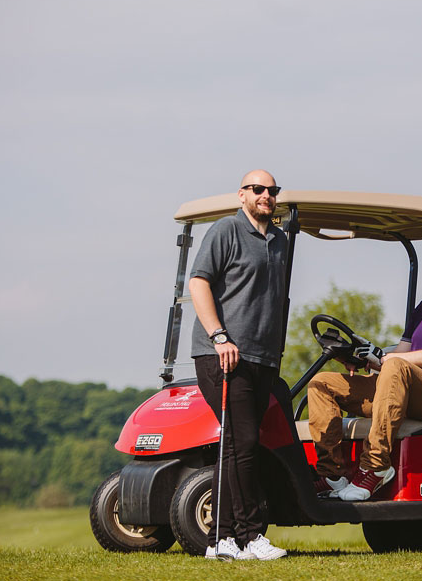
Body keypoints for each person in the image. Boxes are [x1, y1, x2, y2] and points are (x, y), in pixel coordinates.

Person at [307, 232, 422, 501]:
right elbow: (402, 352)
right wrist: (367, 357)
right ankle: (333, 475)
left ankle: (375, 466)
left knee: (395, 367)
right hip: (399, 387)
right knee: (322, 383)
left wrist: (388, 361)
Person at [188, 170, 288, 561]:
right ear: (242, 195)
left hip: (263, 359)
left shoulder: (278, 240)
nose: (266, 195)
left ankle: (221, 540)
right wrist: (218, 336)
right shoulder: (225, 230)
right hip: (224, 356)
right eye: (258, 189)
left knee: (237, 445)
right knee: (242, 442)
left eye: (272, 190)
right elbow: (199, 282)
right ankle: (249, 536)